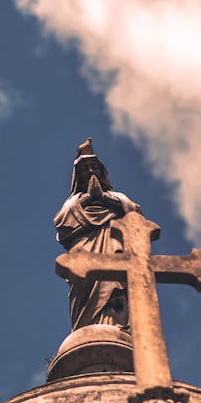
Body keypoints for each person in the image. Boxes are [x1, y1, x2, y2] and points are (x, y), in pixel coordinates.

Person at [54, 139, 142, 330]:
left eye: (94, 166)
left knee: (116, 286)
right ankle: (88, 327)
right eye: (85, 168)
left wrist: (102, 198)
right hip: (85, 251)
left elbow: (135, 214)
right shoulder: (74, 202)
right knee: (85, 283)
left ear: (102, 172)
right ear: (79, 175)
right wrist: (88, 199)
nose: (91, 171)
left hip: (113, 246)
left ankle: (119, 325)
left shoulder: (117, 198)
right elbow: (61, 224)